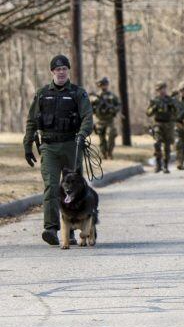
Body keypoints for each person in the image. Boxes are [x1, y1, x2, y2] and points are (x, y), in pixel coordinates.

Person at [23, 54, 93, 245]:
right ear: (52, 71)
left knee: (73, 189)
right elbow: (31, 120)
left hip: (72, 145)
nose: (61, 72)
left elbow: (88, 117)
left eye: (64, 69)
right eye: (57, 69)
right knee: (52, 187)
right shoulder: (42, 93)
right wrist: (27, 144)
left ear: (68, 71)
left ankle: (71, 228)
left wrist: (82, 133)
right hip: (49, 147)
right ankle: (51, 228)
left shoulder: (78, 93)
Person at [146, 81, 184, 173]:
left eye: (163, 89)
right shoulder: (154, 100)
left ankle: (165, 165)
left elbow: (177, 112)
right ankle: (158, 163)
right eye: (160, 89)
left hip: (168, 124)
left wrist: (173, 107)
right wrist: (154, 108)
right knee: (157, 143)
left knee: (167, 146)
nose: (162, 91)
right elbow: (148, 113)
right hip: (158, 124)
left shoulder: (170, 100)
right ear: (157, 90)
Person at [90, 77, 120, 160]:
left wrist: (113, 109)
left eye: (105, 84)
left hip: (109, 120)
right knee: (101, 138)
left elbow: (118, 105)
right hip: (99, 120)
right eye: (102, 85)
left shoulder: (112, 96)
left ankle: (110, 152)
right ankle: (104, 153)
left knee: (112, 134)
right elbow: (90, 108)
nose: (104, 86)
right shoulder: (95, 97)